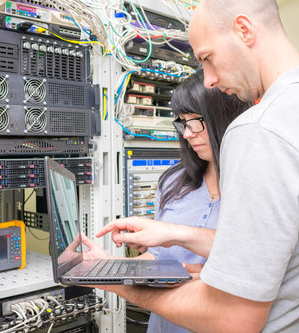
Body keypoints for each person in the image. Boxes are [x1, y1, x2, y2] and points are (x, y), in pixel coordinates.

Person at [94, 0, 299, 333]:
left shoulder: (260, 130)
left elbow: (233, 319)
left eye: (207, 58)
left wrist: (112, 278)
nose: (210, 79)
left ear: (244, 30)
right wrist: (188, 244)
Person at [84, 70, 251, 332]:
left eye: (195, 122)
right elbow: (159, 257)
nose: (187, 133)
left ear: (223, 116)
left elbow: (251, 260)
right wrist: (106, 267)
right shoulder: (174, 182)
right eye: (182, 123)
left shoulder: (257, 187)